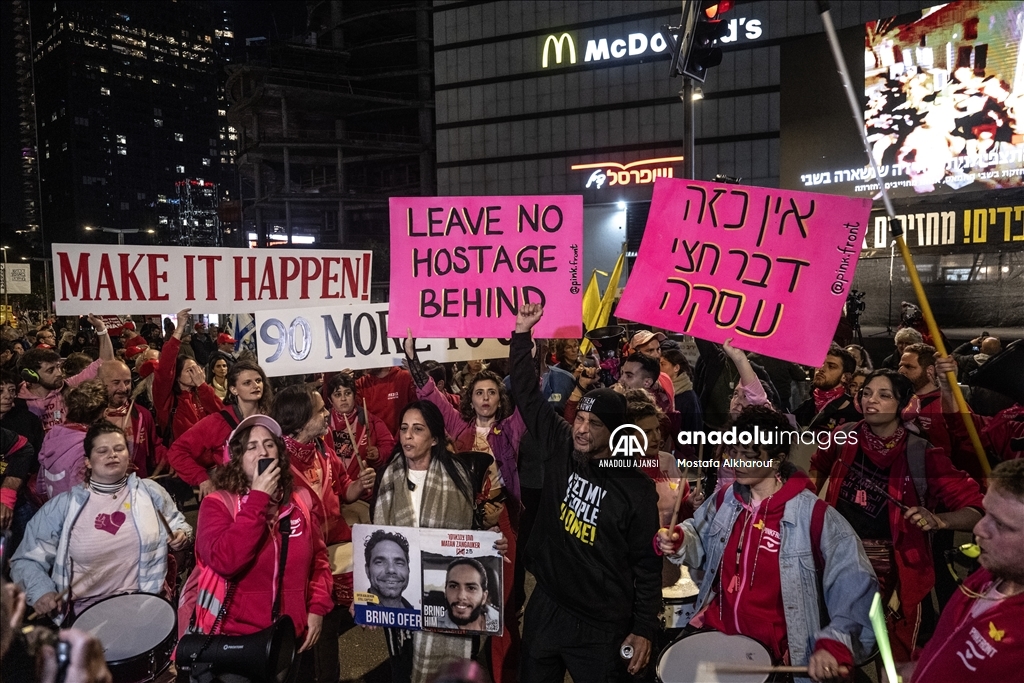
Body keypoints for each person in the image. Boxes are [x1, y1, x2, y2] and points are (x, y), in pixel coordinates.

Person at [657, 406, 877, 682]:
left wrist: (833, 644)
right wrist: (678, 539)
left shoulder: (816, 517)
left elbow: (856, 589)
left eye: (748, 455)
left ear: (777, 460)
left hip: (776, 652)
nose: (737, 462)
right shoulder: (726, 497)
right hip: (717, 629)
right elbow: (698, 536)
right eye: (733, 452)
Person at [510, 304, 661, 682]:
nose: (581, 429)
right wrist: (521, 333)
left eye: (594, 424)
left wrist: (643, 627)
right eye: (580, 418)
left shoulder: (636, 489)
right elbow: (527, 396)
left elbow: (647, 563)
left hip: (600, 626)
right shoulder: (562, 444)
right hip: (548, 604)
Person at [811, 369, 985, 660]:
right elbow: (818, 465)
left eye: (884, 395)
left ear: (905, 406)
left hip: (896, 574)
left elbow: (977, 509)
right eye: (866, 393)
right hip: (837, 560)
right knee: (835, 648)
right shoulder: (842, 437)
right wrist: (810, 504)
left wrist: (940, 520)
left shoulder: (923, 454)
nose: (871, 401)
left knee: (893, 658)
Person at [372, 400, 507, 683]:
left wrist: (492, 544)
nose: (407, 436)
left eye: (417, 429)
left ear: (434, 438)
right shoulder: (388, 477)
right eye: (404, 428)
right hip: (403, 606)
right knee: (403, 671)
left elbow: (471, 536)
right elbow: (375, 540)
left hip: (448, 607)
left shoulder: (458, 475)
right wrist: (367, 592)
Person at [11, 422, 191, 624]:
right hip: (88, 616)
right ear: (87, 461)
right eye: (102, 451)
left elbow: (179, 525)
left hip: (148, 608)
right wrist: (41, 591)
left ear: (127, 456)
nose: (112, 455)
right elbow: (26, 560)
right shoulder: (63, 507)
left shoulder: (150, 492)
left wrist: (182, 536)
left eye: (119, 449)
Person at [190, 415, 333, 668]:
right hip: (235, 641)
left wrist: (317, 608)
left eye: (269, 444)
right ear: (236, 458)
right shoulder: (217, 505)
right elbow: (226, 560)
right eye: (251, 446)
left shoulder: (299, 500)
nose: (262, 451)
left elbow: (319, 561)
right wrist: (258, 498)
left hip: (289, 637)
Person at [907, 459, 1024, 682]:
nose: (979, 529)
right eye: (987, 513)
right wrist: (916, 668)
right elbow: (949, 643)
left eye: (1000, 524)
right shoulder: (988, 575)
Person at [166, 360, 271, 500]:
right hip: (234, 495)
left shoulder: (271, 417)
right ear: (233, 389)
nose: (255, 386)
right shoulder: (218, 421)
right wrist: (202, 479)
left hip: (269, 491)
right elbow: (177, 451)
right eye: (247, 383)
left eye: (258, 380)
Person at [17, 315, 113, 433]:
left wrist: (101, 329)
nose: (59, 373)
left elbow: (105, 363)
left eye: (58, 367)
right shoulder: (15, 400)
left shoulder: (67, 387)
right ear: (30, 375)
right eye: (50, 370)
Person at [152, 308, 223, 444]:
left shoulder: (202, 394)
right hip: (182, 461)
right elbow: (164, 369)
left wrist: (203, 386)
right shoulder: (167, 400)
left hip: (209, 461)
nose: (195, 372)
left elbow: (220, 413)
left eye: (196, 368)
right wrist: (179, 328)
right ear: (177, 376)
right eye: (189, 370)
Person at [37, 381, 108, 501]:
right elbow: (80, 496)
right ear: (103, 412)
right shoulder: (85, 448)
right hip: (74, 514)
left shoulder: (53, 435)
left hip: (53, 507)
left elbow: (41, 484)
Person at [97, 360, 162, 479]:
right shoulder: (91, 417)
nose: (123, 388)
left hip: (136, 487)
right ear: (100, 383)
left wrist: (171, 458)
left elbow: (156, 447)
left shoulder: (142, 414)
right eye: (116, 383)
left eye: (127, 382)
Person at [794, 343, 861, 432]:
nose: (821, 369)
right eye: (820, 363)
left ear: (845, 377)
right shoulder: (806, 406)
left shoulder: (855, 414)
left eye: (831, 366)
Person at [434, 559, 500, 633]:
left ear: (484, 597)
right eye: (453, 586)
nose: (461, 596)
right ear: (445, 591)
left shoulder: (500, 620)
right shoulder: (434, 625)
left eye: (471, 588)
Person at [357, 365, 418, 437]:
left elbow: (417, 410)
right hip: (374, 444)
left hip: (402, 441)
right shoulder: (360, 384)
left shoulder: (405, 377)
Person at [364, 529, 414, 609]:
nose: (391, 570)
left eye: (399, 563)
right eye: (380, 562)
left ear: (408, 570)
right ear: (367, 570)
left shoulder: (417, 615)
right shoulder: (353, 616)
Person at [0, 371, 43, 457]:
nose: (8, 396)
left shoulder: (29, 420)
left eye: (12, 390)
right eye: (0, 391)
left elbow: (39, 454)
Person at [660, 346, 703, 432]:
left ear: (676, 368)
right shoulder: (661, 391)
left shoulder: (689, 398)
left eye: (663, 364)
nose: (659, 367)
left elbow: (694, 431)